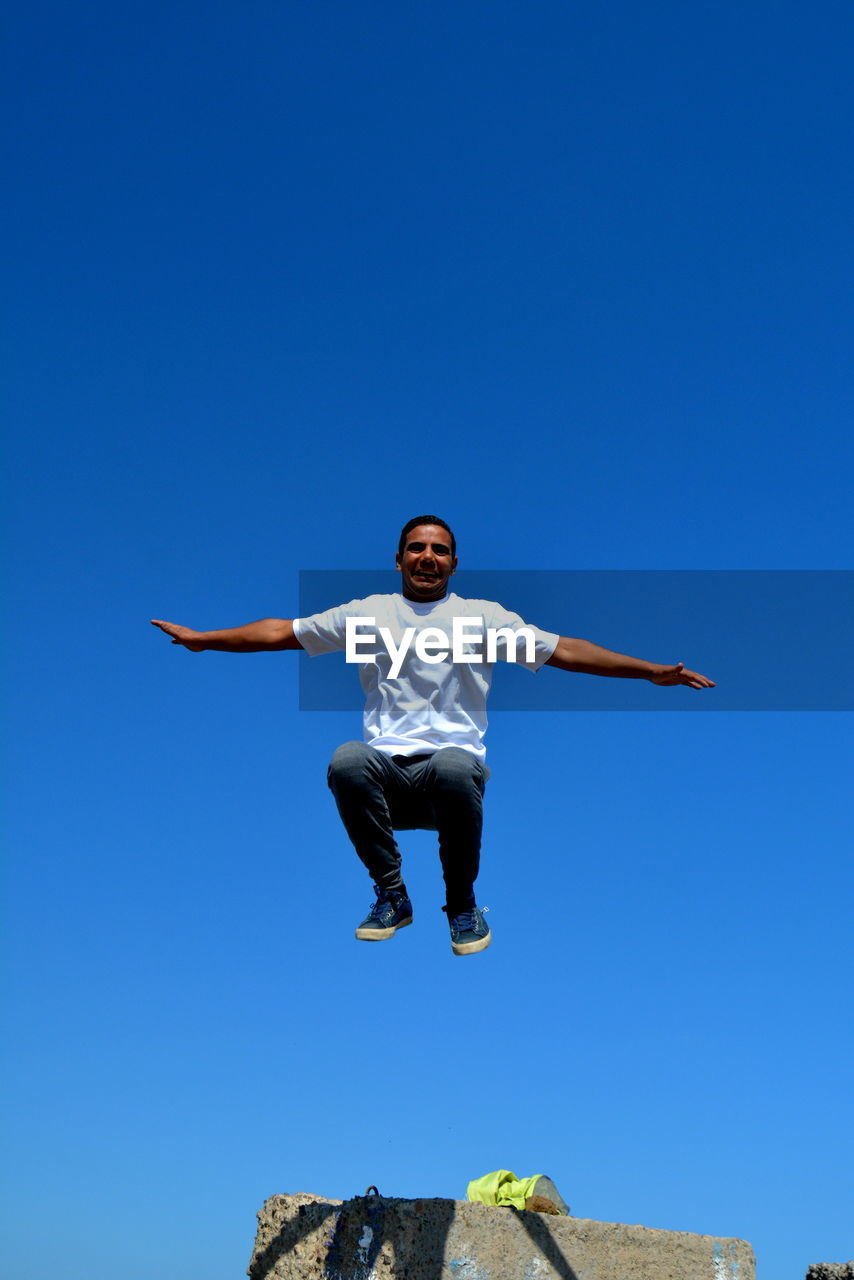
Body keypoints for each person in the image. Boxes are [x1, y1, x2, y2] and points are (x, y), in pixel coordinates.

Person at [151, 515, 714, 957]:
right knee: (348, 757)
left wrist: (650, 671)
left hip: (451, 781)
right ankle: (392, 896)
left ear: (454, 564)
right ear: (398, 560)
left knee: (452, 762)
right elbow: (281, 632)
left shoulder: (482, 617)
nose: (428, 557)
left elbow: (564, 649)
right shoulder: (366, 613)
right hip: (387, 782)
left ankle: (462, 905)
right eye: (417, 548)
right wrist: (207, 639)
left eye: (439, 550)